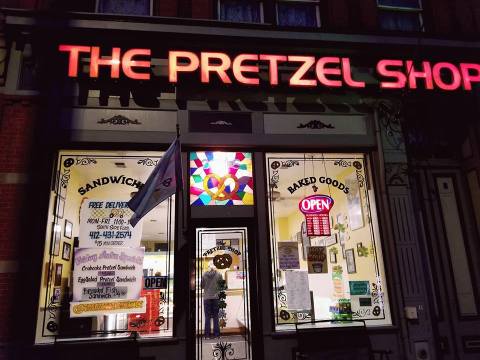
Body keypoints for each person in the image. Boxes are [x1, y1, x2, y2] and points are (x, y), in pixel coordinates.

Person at [201, 261, 223, 338]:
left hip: (207, 298)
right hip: (216, 298)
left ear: (208, 266)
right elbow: (222, 286)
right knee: (216, 316)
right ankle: (217, 335)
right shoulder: (219, 274)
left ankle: (207, 335)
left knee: (207, 317)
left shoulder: (203, 275)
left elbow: (202, 286)